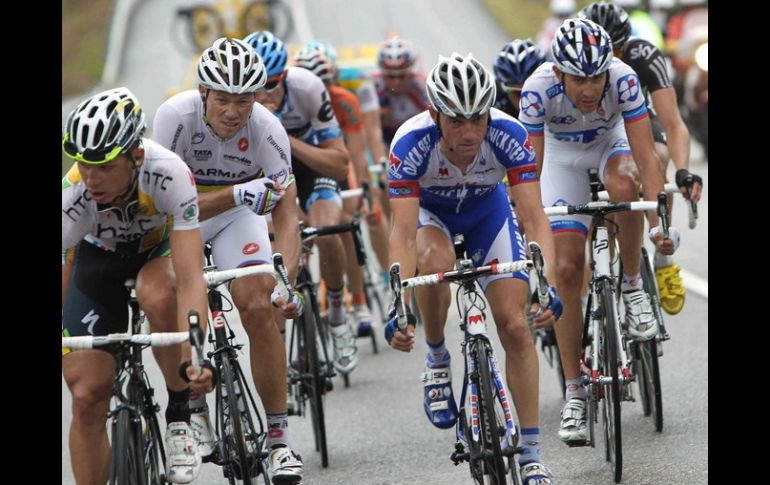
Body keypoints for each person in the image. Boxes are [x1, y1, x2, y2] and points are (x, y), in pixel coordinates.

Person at [384, 52, 561, 485]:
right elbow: (403, 234)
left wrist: (546, 284)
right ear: (434, 115)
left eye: (477, 119)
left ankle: (532, 454)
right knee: (434, 261)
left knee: (514, 326)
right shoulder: (410, 143)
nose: (469, 132)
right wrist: (397, 306)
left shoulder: (509, 134)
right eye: (456, 121)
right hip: (433, 218)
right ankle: (437, 355)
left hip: (487, 214)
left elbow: (534, 217)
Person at [518, 18, 679, 446]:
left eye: (596, 78)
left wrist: (658, 225)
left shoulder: (623, 79)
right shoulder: (536, 90)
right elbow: (529, 174)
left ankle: (633, 287)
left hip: (612, 144)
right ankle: (574, 390)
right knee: (568, 270)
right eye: (578, 79)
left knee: (625, 185)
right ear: (559, 73)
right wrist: (531, 237)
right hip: (560, 159)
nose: (589, 89)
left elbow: (646, 158)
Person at [152, 37, 304, 482]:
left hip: (238, 218)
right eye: (223, 99)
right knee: (174, 295)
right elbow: (164, 208)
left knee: (258, 304)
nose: (234, 112)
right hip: (183, 220)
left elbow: (287, 213)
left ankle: (278, 441)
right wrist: (236, 192)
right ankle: (192, 404)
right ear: (203, 92)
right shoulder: (174, 118)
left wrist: (286, 280)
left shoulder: (268, 128)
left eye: (244, 100)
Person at [62, 87, 214, 484]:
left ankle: (180, 414)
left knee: (159, 294)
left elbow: (191, 276)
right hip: (97, 263)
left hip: (156, 253)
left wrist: (195, 352)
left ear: (137, 156)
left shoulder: (169, 173)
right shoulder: (72, 194)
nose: (91, 177)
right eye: (83, 164)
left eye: (105, 166)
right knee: (87, 397)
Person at [244, 31, 360, 375]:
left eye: (271, 85)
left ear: (285, 76)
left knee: (326, 231)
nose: (263, 95)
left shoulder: (307, 88)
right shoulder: (239, 107)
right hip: (269, 177)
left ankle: (337, 315)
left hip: (312, 168)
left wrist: (282, 136)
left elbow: (339, 163)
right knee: (275, 254)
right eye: (255, 88)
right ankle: (279, 351)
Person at [579, 1, 703, 315]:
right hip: (593, 129)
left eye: (617, 51)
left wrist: (684, 170)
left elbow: (673, 124)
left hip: (637, 120)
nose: (609, 61)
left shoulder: (643, 54)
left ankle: (662, 255)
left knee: (655, 159)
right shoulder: (569, 62)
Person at [292, 46, 376, 337]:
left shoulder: (344, 102)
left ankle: (360, 302)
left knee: (344, 225)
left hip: (333, 168)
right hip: (299, 171)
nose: (322, 92)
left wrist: (361, 194)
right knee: (297, 230)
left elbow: (354, 157)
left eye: (326, 85)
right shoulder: (288, 105)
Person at [373, 34, 430, 148]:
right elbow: (371, 128)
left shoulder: (421, 85)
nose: (396, 82)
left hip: (415, 135)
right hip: (386, 135)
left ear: (410, 72)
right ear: (382, 73)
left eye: (401, 75)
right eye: (390, 76)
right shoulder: (375, 86)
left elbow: (434, 121)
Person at [493, 38, 546, 119]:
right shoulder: (494, 100)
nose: (525, 101)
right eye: (518, 93)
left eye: (532, 92)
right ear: (502, 86)